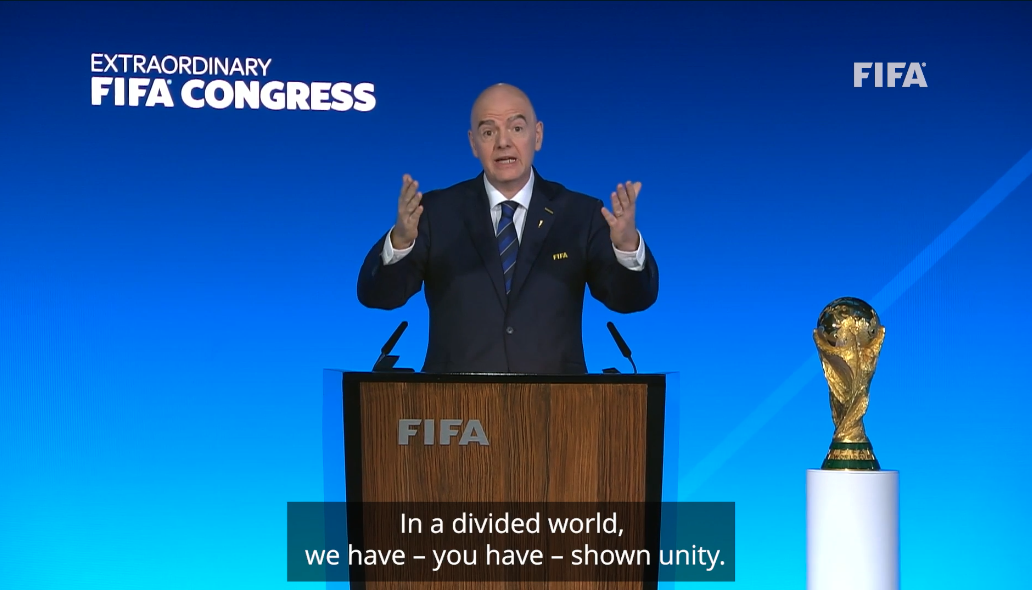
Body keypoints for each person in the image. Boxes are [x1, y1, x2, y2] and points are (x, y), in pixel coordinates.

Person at [357, 84, 659, 374]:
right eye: (489, 132)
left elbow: (629, 300)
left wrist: (626, 247)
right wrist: (400, 242)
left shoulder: (580, 214)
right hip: (456, 403)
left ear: (537, 136)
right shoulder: (436, 212)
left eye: (516, 128)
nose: (503, 142)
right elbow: (379, 297)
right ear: (473, 144)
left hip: (556, 402)